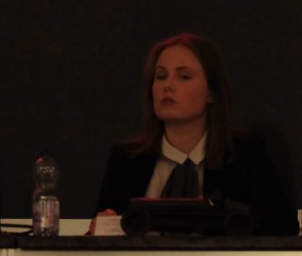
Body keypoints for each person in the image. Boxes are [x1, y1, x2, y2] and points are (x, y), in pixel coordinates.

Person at [93, 33, 291, 235]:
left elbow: (282, 229)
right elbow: (100, 235)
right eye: (161, 76)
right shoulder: (126, 161)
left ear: (211, 93)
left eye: (184, 77)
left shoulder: (245, 157)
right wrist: (100, 228)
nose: (167, 86)